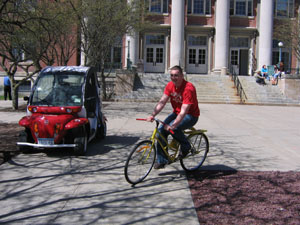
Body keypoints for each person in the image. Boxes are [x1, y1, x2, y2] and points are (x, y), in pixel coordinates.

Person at [146, 65, 200, 169]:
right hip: (176, 113)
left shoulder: (188, 88)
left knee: (173, 128)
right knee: (161, 131)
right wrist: (152, 115)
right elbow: (162, 102)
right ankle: (162, 160)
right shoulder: (170, 86)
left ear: (182, 76)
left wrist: (174, 125)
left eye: (176, 75)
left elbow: (184, 111)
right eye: (171, 75)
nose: (173, 78)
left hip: (191, 115)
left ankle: (186, 146)